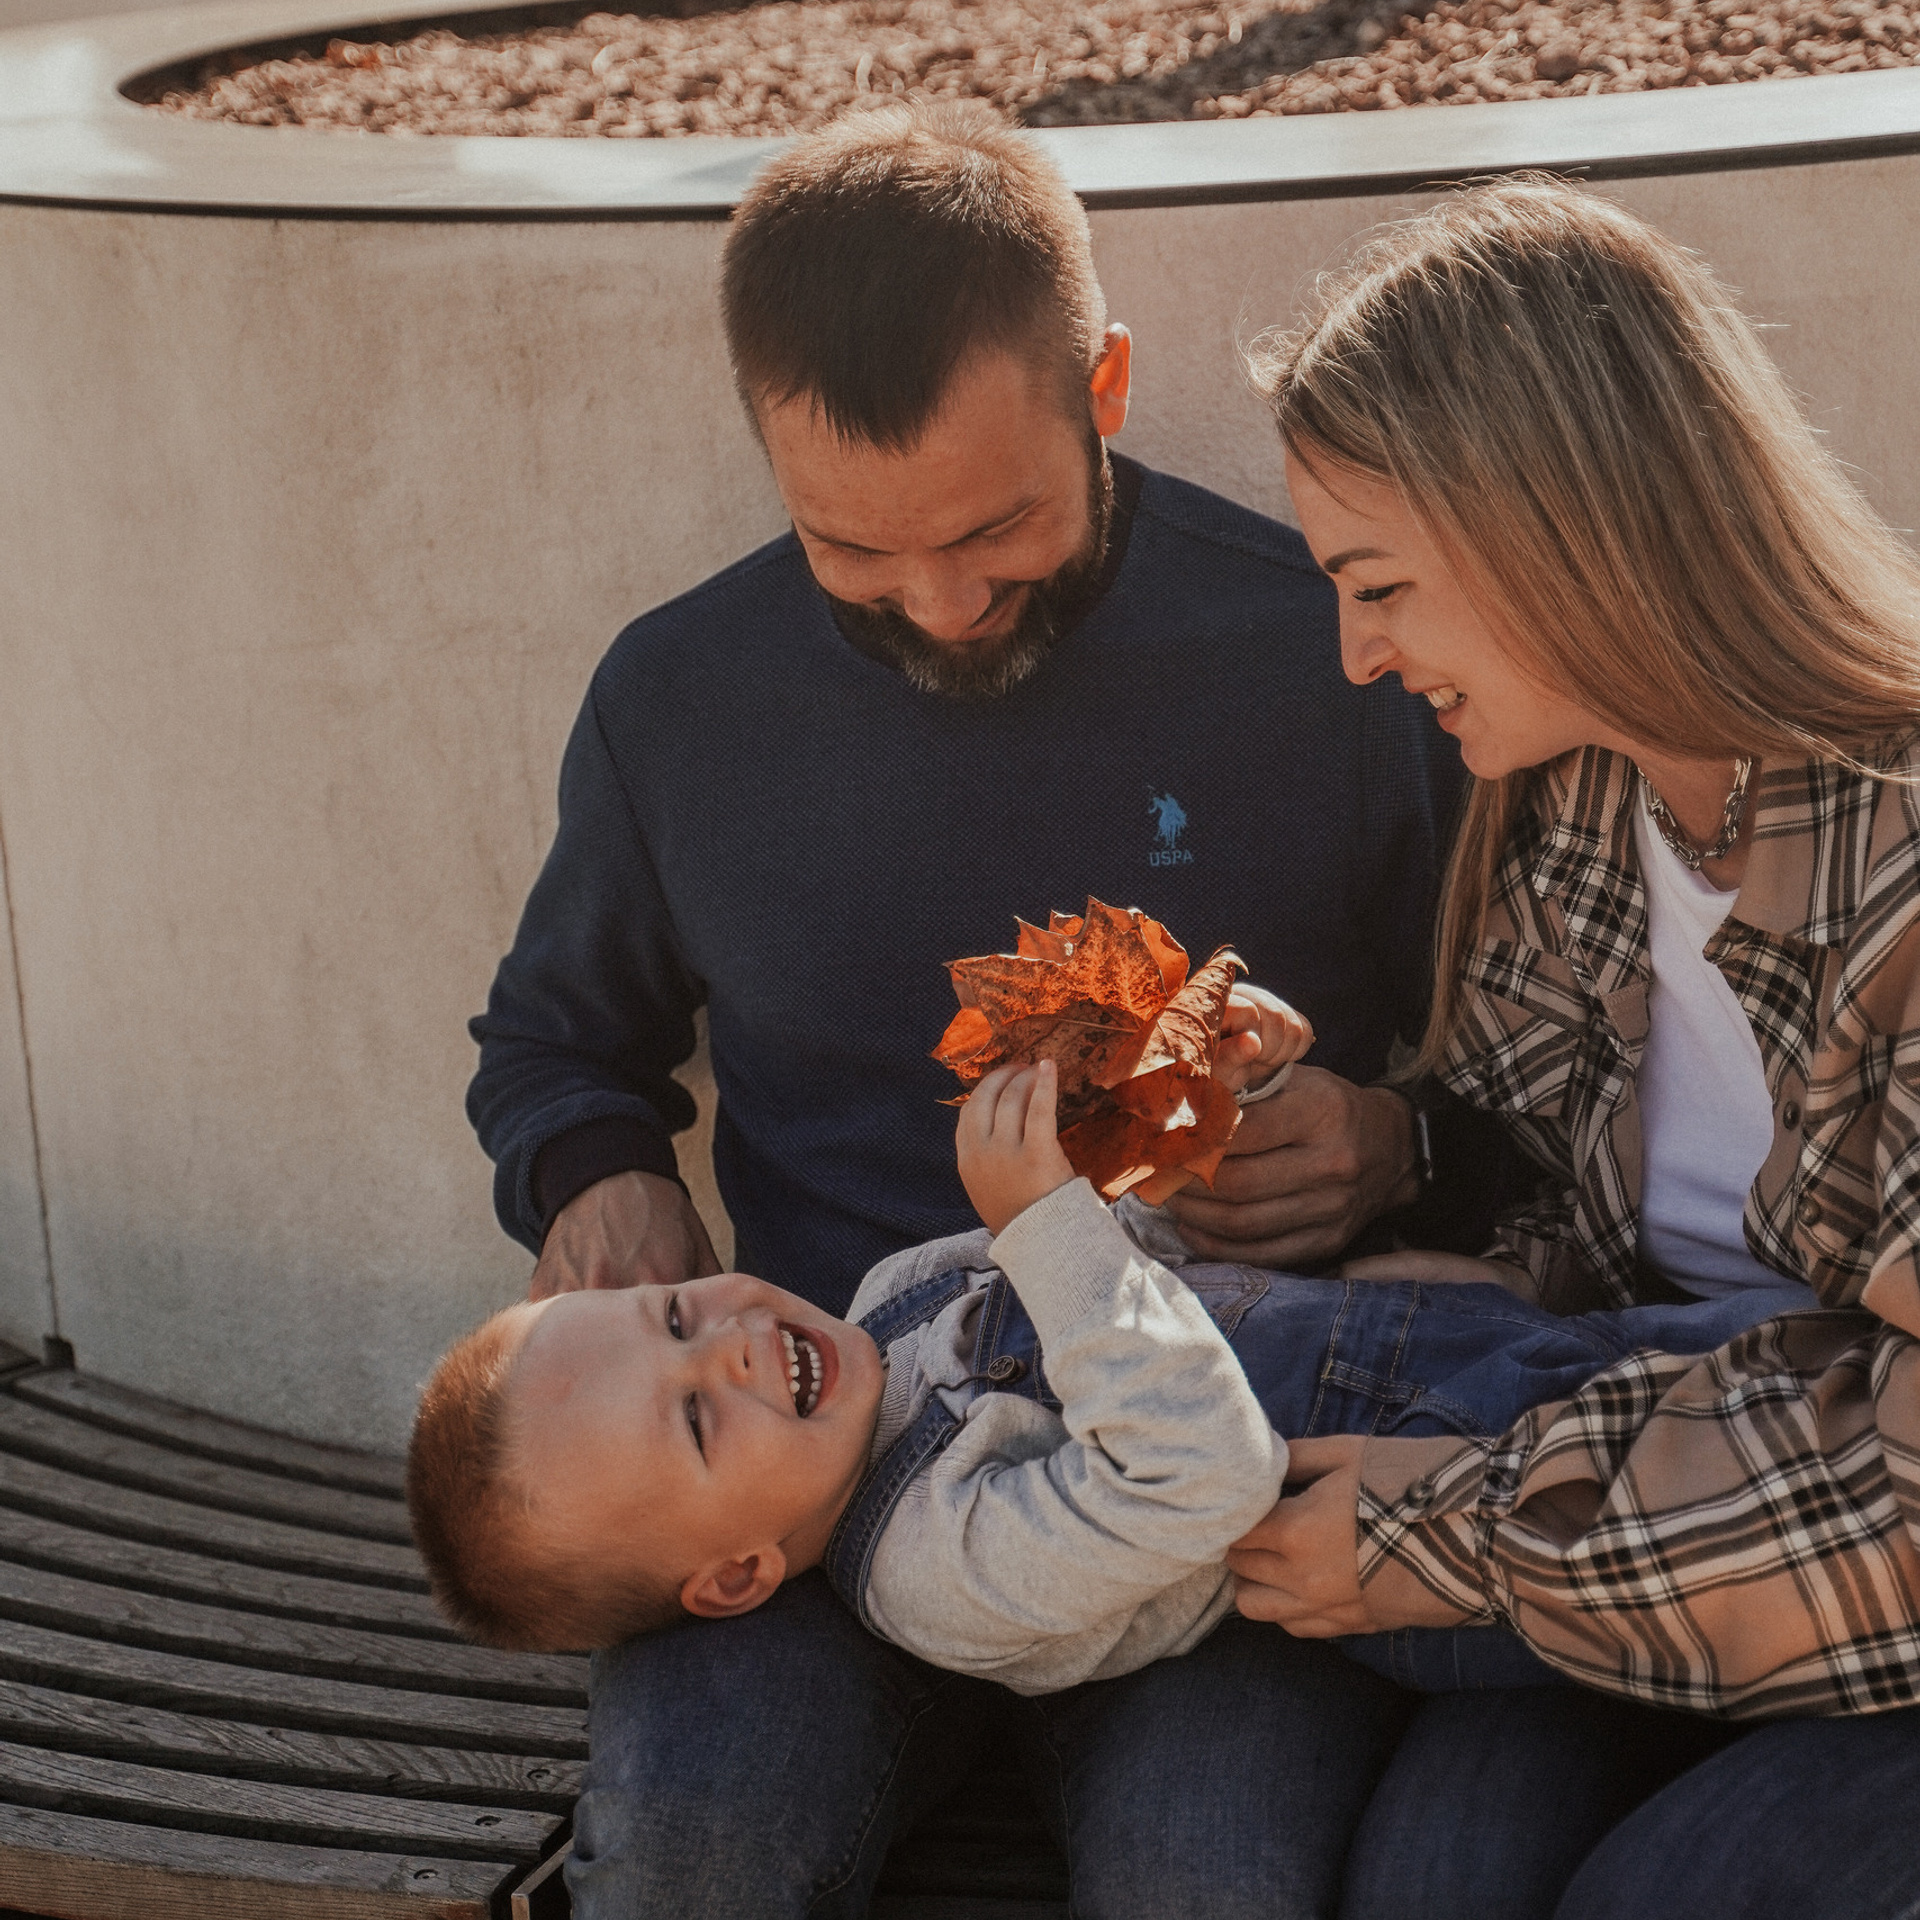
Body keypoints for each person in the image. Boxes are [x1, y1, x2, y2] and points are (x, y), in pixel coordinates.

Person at [471, 101, 1584, 1920]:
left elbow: (1560, 1076)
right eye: (851, 549)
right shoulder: (678, 695)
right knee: (686, 1867)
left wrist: (1398, 1152)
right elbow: (555, 1042)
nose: (939, 600)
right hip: (808, 1495)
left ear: (1108, 385)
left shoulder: (1339, 649)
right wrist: (596, 1172)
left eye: (996, 528)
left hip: (1196, 1493)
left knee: (1217, 1880)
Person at [1224, 179, 1920, 1917]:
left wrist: (1447, 1529)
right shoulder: (1588, 816)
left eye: (1377, 583)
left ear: (1556, 528)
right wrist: (1396, 1189)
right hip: (1642, 1526)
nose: (1354, 652)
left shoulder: (1899, 857)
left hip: (1861, 1587)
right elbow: (1587, 1220)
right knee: (1430, 1882)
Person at [412, 1036, 1802, 1700]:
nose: (725, 1346)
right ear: (733, 1576)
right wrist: (1039, 1227)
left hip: (1432, 1347)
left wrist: (1184, 1106)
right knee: (1746, 1534)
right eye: (700, 1424)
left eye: (672, 1321)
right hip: (1436, 1537)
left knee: (1790, 1365)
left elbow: (1136, 1246)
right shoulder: (938, 1571)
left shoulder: (894, 1298)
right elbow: (1203, 1476)